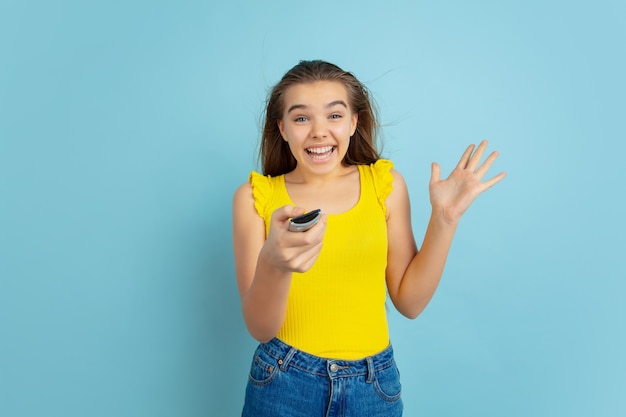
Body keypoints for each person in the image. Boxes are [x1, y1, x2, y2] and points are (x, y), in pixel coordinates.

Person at [232, 60, 506, 416]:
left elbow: (409, 302)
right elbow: (260, 328)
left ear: (354, 122)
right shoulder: (256, 198)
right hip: (284, 383)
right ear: (282, 128)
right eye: (301, 118)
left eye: (334, 115)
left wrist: (444, 219)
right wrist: (275, 263)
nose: (319, 131)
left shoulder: (385, 187)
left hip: (372, 386)